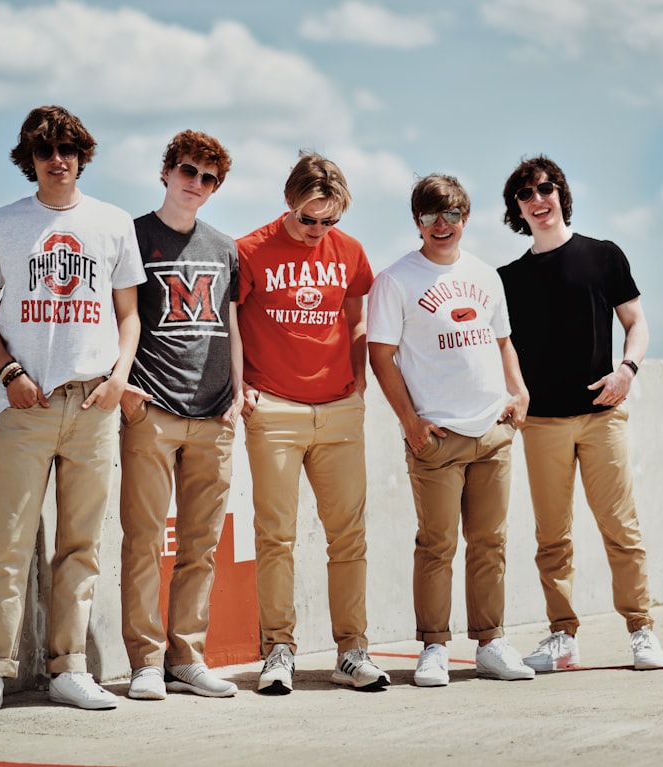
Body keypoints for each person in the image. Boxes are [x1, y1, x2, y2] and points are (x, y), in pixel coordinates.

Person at [0, 105, 146, 719]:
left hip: (94, 403)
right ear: (30, 160)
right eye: (45, 151)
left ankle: (70, 669)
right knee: (6, 543)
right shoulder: (1, 224)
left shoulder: (113, 223)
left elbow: (128, 315)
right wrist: (10, 373)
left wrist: (119, 378)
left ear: (82, 155)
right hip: (28, 403)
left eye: (67, 149)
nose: (57, 159)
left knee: (80, 544)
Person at [498, 154, 663, 672]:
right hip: (542, 422)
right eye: (526, 195)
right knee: (552, 536)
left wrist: (627, 371)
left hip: (601, 414)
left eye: (545, 189)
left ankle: (641, 630)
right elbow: (497, 349)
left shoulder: (603, 256)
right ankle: (563, 637)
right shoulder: (507, 279)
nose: (538, 200)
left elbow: (636, 323)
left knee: (621, 527)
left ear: (561, 194)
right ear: (517, 211)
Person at [367, 173, 535, 687]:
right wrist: (411, 422)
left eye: (452, 215)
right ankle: (434, 648)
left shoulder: (486, 276)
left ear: (466, 218)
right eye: (431, 216)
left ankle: (491, 643)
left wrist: (519, 391)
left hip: (492, 431)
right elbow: (380, 355)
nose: (442, 225)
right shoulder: (395, 280)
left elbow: (502, 340)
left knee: (491, 542)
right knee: (437, 545)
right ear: (417, 222)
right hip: (436, 438)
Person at [236, 151, 389, 694]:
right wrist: (241, 385)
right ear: (288, 202)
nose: (317, 230)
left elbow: (355, 316)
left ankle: (352, 651)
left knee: (348, 537)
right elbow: (230, 321)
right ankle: (279, 650)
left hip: (340, 410)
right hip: (273, 409)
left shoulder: (348, 252)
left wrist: (357, 380)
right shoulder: (249, 250)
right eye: (308, 219)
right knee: (275, 536)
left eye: (329, 221)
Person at [119, 130, 242, 700]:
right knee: (143, 540)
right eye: (188, 171)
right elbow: (113, 317)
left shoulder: (224, 246)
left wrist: (238, 396)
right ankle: (145, 661)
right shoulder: (131, 235)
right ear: (166, 171)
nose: (196, 184)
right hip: (152, 408)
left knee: (201, 545)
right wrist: (122, 388)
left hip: (214, 413)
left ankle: (186, 657)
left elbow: (232, 326)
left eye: (208, 178)